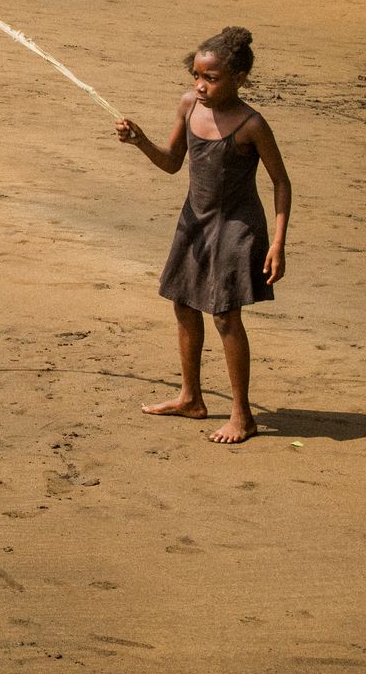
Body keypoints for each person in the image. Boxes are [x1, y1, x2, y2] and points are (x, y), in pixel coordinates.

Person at [116, 26, 291, 444]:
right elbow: (172, 162)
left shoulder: (251, 124)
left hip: (236, 227)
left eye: (211, 78)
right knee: (183, 303)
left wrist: (278, 243)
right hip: (194, 221)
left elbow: (281, 183)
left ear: (239, 79)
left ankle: (242, 415)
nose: (200, 85)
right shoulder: (188, 105)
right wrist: (140, 141)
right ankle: (190, 398)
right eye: (196, 75)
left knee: (225, 315)